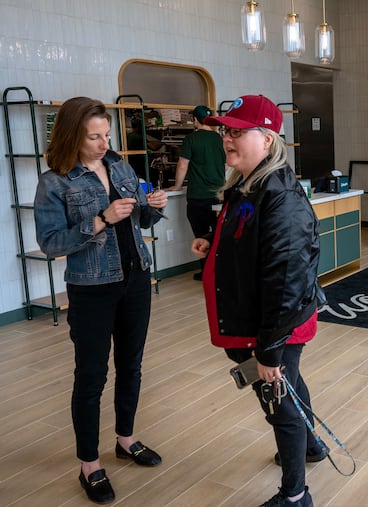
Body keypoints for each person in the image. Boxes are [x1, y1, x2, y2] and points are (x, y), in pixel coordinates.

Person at [191, 95, 325, 507]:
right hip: (256, 323)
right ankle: (310, 447)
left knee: (278, 402)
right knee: (291, 388)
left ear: (267, 139)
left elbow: (286, 278)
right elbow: (250, 243)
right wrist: (213, 243)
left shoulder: (280, 196)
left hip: (272, 328)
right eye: (225, 131)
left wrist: (268, 349)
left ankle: (295, 494)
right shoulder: (248, 186)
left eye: (237, 132)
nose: (227, 140)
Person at [34, 97, 168, 504]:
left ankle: (125, 439)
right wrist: (101, 219)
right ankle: (89, 464)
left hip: (136, 280)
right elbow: (51, 243)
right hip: (91, 288)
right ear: (73, 135)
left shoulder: (120, 166)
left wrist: (153, 208)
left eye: (106, 135)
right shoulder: (54, 181)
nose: (103, 143)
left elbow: (141, 218)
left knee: (132, 365)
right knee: (91, 376)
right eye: (94, 137)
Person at [166, 105, 226, 280]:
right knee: (217, 234)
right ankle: (219, 272)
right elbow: (226, 164)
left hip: (198, 196)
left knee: (201, 236)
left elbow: (183, 164)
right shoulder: (220, 139)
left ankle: (206, 272)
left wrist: (177, 186)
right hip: (219, 195)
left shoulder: (191, 139)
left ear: (194, 120)